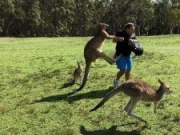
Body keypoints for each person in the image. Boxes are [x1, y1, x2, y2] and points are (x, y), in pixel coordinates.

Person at [112, 23, 137, 87]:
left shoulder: (132, 35)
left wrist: (133, 41)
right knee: (123, 69)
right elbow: (113, 40)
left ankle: (127, 83)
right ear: (127, 29)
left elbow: (136, 40)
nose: (133, 31)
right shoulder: (120, 33)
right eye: (131, 29)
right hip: (120, 55)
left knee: (128, 70)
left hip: (128, 54)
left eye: (133, 29)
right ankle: (116, 81)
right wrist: (118, 38)